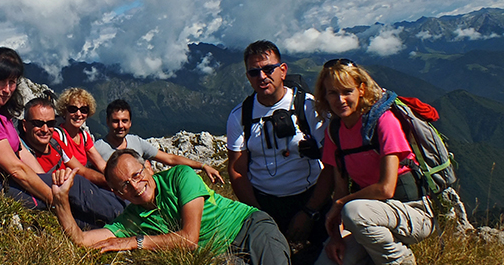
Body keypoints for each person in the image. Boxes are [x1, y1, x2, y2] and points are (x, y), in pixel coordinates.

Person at [0, 47, 123, 228]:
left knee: (72, 191)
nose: (7, 90)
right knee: (74, 187)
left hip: (3, 184)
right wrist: (56, 199)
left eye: (12, 82)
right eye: (1, 81)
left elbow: (21, 152)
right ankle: (130, 216)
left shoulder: (0, 114)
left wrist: (46, 180)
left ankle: (118, 222)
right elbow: (16, 169)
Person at [51, 148, 290, 265]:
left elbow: (190, 239)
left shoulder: (180, 177)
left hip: (249, 228)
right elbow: (81, 240)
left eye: (137, 174)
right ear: (116, 193)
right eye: (124, 185)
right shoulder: (132, 218)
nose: (135, 186)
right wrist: (62, 201)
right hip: (219, 255)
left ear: (149, 168)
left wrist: (136, 241)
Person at [314, 59, 433, 265]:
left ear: (361, 90)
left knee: (353, 211)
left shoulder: (384, 122)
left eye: (347, 91)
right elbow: (340, 190)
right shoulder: (335, 132)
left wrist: (341, 204)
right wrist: (335, 237)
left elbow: (386, 189)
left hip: (413, 213)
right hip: (369, 217)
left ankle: (400, 260)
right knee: (328, 261)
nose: (340, 99)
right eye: (332, 93)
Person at [225, 40, 332, 258]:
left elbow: (331, 164)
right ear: (248, 77)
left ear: (282, 70)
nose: (262, 77)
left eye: (268, 69)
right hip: (265, 202)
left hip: (311, 197)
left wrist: (309, 211)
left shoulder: (308, 107)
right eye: (254, 72)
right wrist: (259, 215)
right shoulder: (240, 116)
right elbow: (237, 170)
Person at [94, 99, 224, 183]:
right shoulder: (98, 148)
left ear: (130, 123)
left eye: (124, 121)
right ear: (107, 122)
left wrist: (202, 166)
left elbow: (170, 159)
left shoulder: (136, 141)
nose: (121, 125)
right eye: (116, 121)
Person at [19, 97, 107, 186]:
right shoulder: (21, 153)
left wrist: (109, 182)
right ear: (25, 125)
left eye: (50, 124)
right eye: (38, 123)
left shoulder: (56, 143)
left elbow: (83, 171)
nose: (45, 129)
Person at [55, 88, 107, 171]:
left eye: (83, 110)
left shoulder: (84, 136)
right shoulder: (57, 136)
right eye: (73, 109)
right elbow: (81, 171)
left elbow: (101, 164)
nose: (78, 114)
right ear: (65, 111)